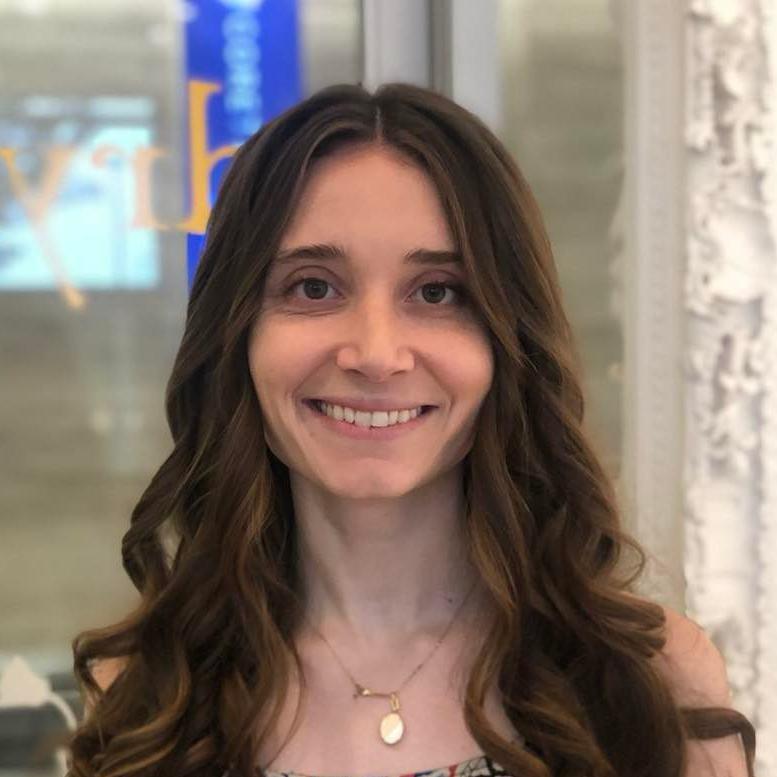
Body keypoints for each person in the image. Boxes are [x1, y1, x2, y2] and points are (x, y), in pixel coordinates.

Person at [66, 82, 756, 777]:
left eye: (436, 292)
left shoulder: (654, 685)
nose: (375, 353)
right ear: (237, 333)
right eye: (314, 286)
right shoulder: (145, 698)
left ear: (507, 341)